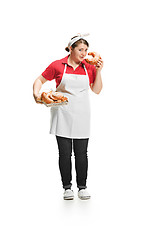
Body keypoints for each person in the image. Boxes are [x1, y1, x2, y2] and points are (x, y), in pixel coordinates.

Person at [33, 34, 103, 200]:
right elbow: (39, 80)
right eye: (80, 49)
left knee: (81, 153)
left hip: (82, 114)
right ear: (70, 49)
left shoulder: (89, 67)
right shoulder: (57, 65)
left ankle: (82, 187)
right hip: (62, 113)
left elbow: (97, 90)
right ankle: (67, 188)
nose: (84, 53)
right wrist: (36, 94)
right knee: (64, 154)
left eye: (86, 50)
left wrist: (99, 71)